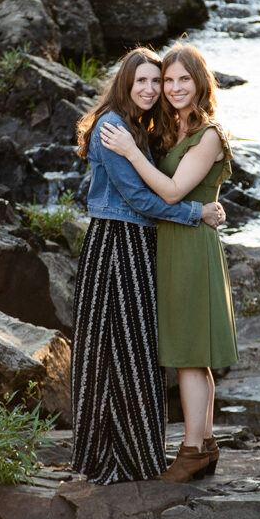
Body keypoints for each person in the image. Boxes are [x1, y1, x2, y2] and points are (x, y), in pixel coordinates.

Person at [72, 46, 224, 486]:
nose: (153, 89)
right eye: (144, 81)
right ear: (125, 83)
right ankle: (113, 457)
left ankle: (141, 453)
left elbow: (179, 177)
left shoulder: (142, 128)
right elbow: (140, 199)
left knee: (136, 352)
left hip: (139, 244)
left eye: (157, 82)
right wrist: (196, 214)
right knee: (114, 352)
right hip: (115, 246)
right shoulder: (113, 126)